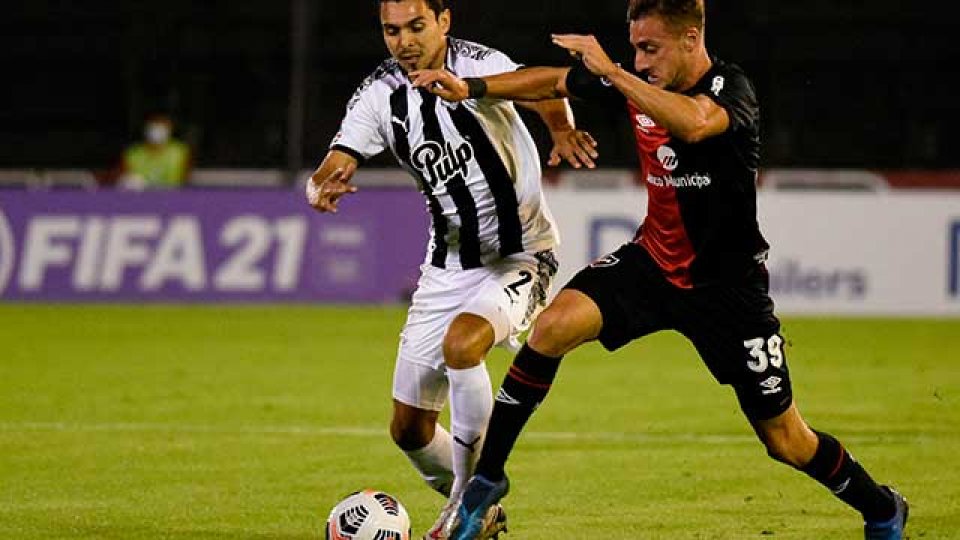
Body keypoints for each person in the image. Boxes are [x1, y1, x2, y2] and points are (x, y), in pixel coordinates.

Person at [410, 1, 909, 538]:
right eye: (635, 50)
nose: (641, 61)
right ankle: (486, 481)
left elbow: (694, 124)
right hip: (651, 264)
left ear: (691, 39)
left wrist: (615, 72)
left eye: (650, 48)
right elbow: (552, 81)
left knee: (786, 440)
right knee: (551, 328)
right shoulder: (638, 80)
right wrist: (472, 88)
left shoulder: (730, 89)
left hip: (727, 291)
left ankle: (881, 507)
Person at [306, 0, 598, 538]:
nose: (404, 41)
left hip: (523, 255)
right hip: (446, 267)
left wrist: (561, 129)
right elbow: (337, 158)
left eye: (416, 26)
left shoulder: (479, 65)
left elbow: (545, 87)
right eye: (392, 30)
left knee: (464, 345)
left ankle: (470, 502)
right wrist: (320, 185)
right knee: (409, 429)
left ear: (444, 21)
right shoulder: (379, 95)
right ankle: (479, 508)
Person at [120, 113, 191, 189]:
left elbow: (186, 178)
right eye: (154, 126)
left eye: (162, 127)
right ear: (146, 129)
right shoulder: (132, 153)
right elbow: (122, 176)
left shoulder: (180, 151)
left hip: (173, 193)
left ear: (170, 129)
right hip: (141, 194)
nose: (158, 130)